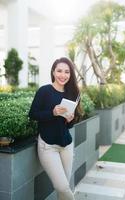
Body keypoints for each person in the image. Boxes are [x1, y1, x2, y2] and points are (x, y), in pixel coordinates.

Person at [29, 57, 80, 200]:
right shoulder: (44, 91)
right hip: (48, 146)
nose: (63, 75)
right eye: (59, 71)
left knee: (63, 189)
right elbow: (33, 114)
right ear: (53, 71)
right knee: (62, 187)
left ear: (70, 75)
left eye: (67, 72)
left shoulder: (72, 93)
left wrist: (70, 120)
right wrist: (52, 112)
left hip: (67, 146)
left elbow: (69, 125)